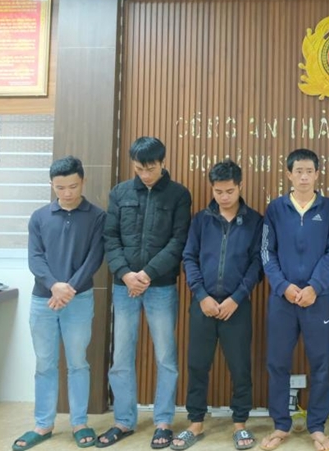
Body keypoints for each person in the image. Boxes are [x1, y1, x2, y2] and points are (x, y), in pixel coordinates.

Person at [98, 136, 192, 449]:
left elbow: (178, 241)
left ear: (163, 162)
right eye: (139, 169)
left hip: (160, 285)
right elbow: (110, 237)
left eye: (150, 168)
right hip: (124, 286)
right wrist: (126, 274)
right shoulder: (120, 192)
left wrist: (147, 273)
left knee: (166, 356)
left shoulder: (179, 194)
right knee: (121, 356)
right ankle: (124, 421)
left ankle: (163, 422)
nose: (145, 174)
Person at [13, 156, 106, 451]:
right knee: (44, 364)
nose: (67, 193)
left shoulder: (97, 216)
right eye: (60, 187)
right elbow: (35, 257)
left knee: (78, 363)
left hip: (79, 299)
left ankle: (79, 423)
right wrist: (55, 286)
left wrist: (69, 289)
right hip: (43, 300)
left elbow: (94, 258)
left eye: (73, 186)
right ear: (52, 185)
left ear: (83, 181)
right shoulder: (39, 217)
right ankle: (43, 424)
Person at [171, 160, 263, 451]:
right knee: (197, 365)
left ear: (240, 186)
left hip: (237, 306)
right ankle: (195, 423)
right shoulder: (201, 220)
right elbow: (189, 257)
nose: (224, 197)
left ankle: (240, 424)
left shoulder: (255, 221)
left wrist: (237, 298)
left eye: (229, 191)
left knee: (240, 367)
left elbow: (257, 263)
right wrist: (201, 296)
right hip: (203, 305)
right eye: (218, 191)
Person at [260, 149, 329, 451]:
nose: (304, 177)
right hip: (282, 300)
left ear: (317, 174)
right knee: (277, 363)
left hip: (317, 299)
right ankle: (281, 425)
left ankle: (317, 426)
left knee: (320, 364)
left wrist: (314, 287)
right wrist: (283, 286)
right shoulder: (275, 209)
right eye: (299, 171)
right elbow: (266, 252)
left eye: (309, 171)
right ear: (289, 174)